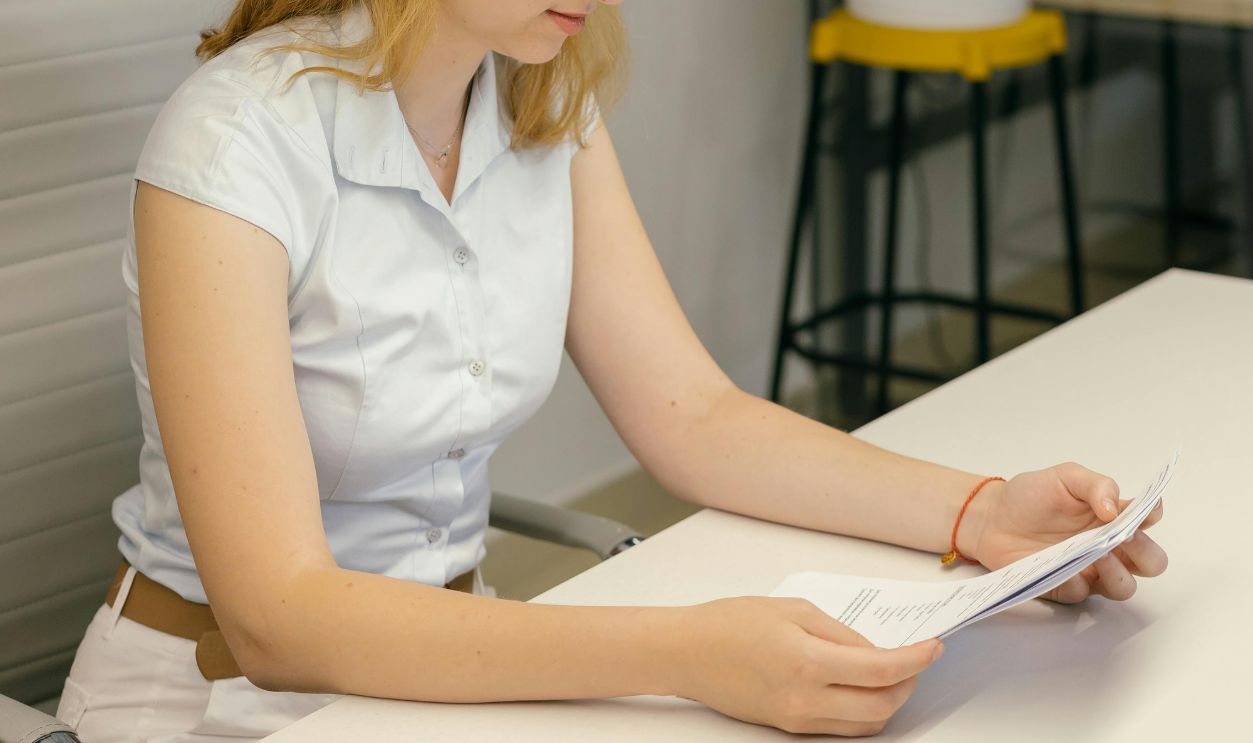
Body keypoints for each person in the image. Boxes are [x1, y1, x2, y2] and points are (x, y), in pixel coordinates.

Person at [56, 1, 1168, 740]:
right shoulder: (233, 147)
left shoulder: (541, 101)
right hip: (209, 702)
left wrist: (979, 513)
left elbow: (693, 416)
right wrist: (685, 651)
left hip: (444, 683)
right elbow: (280, 619)